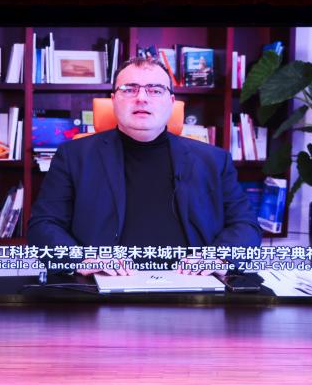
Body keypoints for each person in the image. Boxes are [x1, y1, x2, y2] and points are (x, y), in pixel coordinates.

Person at [28, 57, 261, 275]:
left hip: (191, 285)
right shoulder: (74, 156)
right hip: (104, 285)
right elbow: (43, 225)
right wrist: (82, 260)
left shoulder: (213, 161)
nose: (141, 98)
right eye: (129, 89)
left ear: (171, 102)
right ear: (113, 100)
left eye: (155, 90)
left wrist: (218, 258)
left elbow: (246, 225)